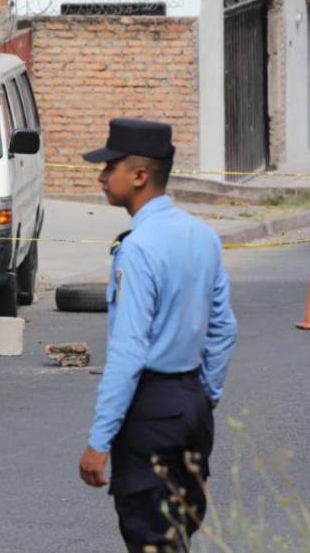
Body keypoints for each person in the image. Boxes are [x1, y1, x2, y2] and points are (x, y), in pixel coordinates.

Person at [76, 119, 237, 551]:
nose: (102, 176)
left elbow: (128, 353)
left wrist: (99, 441)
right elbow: (223, 329)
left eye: (111, 167)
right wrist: (204, 396)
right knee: (176, 536)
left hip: (151, 411)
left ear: (140, 176)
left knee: (151, 538)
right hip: (191, 407)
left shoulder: (138, 248)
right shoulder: (203, 236)